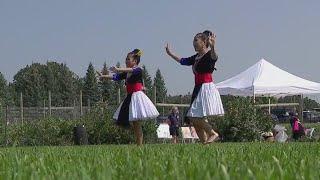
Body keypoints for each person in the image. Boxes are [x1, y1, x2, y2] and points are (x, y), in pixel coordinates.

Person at [165, 30, 224, 144]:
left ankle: (213, 133)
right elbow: (183, 61)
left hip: (206, 88)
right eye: (193, 40)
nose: (194, 42)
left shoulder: (208, 55)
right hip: (197, 88)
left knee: (195, 116)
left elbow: (214, 57)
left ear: (203, 42)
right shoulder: (196, 57)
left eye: (196, 40)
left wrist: (212, 47)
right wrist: (170, 53)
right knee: (195, 120)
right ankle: (205, 145)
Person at [98, 49, 159, 145]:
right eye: (125, 59)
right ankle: (139, 141)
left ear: (135, 61)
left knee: (136, 123)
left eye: (128, 59)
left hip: (137, 98)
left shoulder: (138, 70)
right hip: (129, 98)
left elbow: (132, 70)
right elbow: (115, 77)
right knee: (123, 121)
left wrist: (118, 69)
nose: (126, 61)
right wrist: (103, 76)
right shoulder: (126, 73)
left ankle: (139, 146)